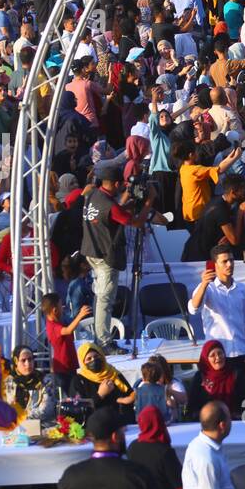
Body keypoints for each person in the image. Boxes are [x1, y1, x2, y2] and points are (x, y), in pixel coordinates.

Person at [81, 163, 150, 347]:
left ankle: (100, 337)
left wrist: (128, 205)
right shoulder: (110, 205)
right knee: (105, 299)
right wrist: (149, 204)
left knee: (99, 296)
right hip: (106, 256)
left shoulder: (92, 195)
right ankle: (104, 341)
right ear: (117, 183)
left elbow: (114, 214)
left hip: (92, 252)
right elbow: (135, 223)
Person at [188, 244, 245, 373]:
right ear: (215, 264)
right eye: (224, 261)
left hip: (240, 350)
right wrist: (203, 284)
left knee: (240, 391)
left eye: (231, 260)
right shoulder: (207, 288)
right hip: (217, 354)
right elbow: (193, 309)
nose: (229, 264)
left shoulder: (242, 289)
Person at [184, 340, 245, 421]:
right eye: (212, 355)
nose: (218, 357)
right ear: (206, 359)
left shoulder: (236, 374)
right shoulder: (200, 377)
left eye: (220, 353)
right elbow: (192, 407)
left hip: (234, 422)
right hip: (207, 423)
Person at [72, 342, 136, 421]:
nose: (94, 360)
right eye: (89, 359)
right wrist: (100, 395)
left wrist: (127, 399)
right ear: (83, 362)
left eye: (96, 356)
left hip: (121, 421)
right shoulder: (79, 380)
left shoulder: (113, 373)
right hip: (97, 424)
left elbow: (129, 393)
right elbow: (79, 408)